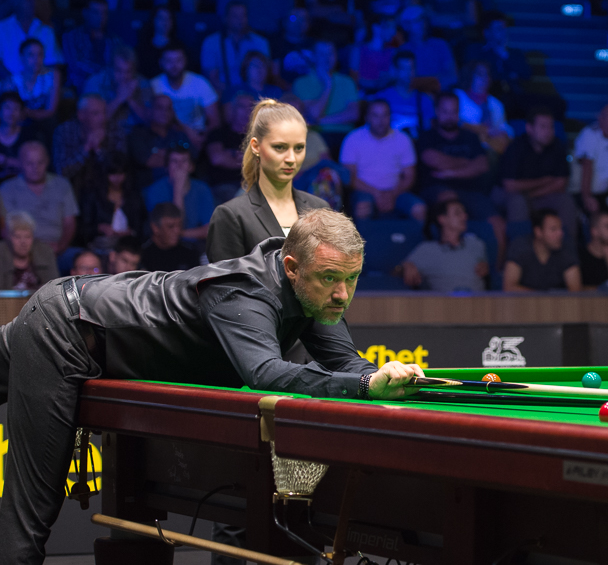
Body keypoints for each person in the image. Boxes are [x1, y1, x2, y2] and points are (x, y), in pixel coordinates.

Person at [0, 208, 423, 564]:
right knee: (31, 514)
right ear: (292, 268)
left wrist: (383, 375)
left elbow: (348, 363)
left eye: (352, 278)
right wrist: (365, 384)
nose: (343, 294)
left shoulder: (314, 291)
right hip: (66, 329)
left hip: (85, 322)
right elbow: (266, 373)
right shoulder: (244, 291)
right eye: (331, 278)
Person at [206, 98, 329, 262]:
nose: (290, 158)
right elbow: (226, 271)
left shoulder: (319, 208)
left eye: (298, 148)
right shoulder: (230, 214)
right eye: (279, 147)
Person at [417, 92, 504, 240]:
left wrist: (451, 173)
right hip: (437, 190)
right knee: (450, 200)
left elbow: (483, 165)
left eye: (454, 112)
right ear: (437, 111)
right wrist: (467, 163)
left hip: (471, 192)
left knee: (498, 224)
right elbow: (435, 160)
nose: (450, 116)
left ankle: (494, 258)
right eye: (445, 112)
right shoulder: (427, 136)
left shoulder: (470, 137)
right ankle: (455, 253)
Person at [339, 99, 424, 222]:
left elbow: (410, 176)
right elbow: (349, 177)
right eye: (375, 115)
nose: (381, 120)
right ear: (367, 117)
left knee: (419, 209)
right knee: (362, 208)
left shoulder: (403, 139)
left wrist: (392, 194)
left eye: (385, 115)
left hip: (396, 191)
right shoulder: (352, 139)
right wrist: (376, 193)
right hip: (364, 191)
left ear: (390, 117)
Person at [500, 108, 575, 242]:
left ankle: (567, 249)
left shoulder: (557, 146)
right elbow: (510, 185)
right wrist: (545, 180)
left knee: (566, 201)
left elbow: (561, 183)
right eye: (543, 127)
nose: (548, 131)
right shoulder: (515, 147)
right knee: (518, 202)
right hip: (508, 195)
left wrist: (531, 194)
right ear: (529, 128)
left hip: (539, 195)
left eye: (551, 127)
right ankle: (520, 251)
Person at [0, 142, 78, 255]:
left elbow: (69, 223)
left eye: (40, 162)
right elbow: (4, 227)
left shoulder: (62, 185)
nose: (35, 168)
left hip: (58, 249)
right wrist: (27, 248)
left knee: (87, 260)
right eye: (29, 163)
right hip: (20, 251)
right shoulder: (7, 188)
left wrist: (61, 246)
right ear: (20, 163)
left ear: (47, 161)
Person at [402, 198, 489, 292]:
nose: (464, 216)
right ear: (442, 219)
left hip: (478, 300)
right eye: (457, 213)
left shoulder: (476, 245)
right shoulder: (427, 249)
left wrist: (486, 269)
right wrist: (406, 267)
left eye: (464, 213)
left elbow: (486, 271)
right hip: (442, 300)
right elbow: (397, 271)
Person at [52, 94, 126, 188]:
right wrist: (86, 148)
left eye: (104, 112)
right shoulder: (64, 131)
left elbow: (119, 171)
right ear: (81, 115)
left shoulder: (115, 131)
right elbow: (62, 172)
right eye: (96, 113)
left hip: (106, 188)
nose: (102, 118)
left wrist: (98, 150)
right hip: (72, 188)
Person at [142, 146, 214, 241]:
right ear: (167, 167)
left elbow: (209, 229)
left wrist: (181, 234)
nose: (179, 166)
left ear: (191, 167)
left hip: (195, 244)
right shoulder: (155, 190)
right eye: (174, 161)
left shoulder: (202, 189)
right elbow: (169, 230)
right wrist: (178, 190)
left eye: (184, 161)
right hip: (166, 244)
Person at [77, 151, 143, 253]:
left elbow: (140, 225)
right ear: (105, 173)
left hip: (127, 247)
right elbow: (82, 229)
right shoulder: (92, 196)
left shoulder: (133, 196)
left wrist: (130, 232)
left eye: (120, 173)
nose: (117, 178)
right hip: (99, 248)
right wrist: (99, 228)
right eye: (113, 173)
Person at [503, 208, 581, 292]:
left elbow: (575, 291)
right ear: (538, 232)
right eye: (553, 229)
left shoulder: (566, 249)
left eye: (560, 229)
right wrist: (541, 297)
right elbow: (509, 287)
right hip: (527, 301)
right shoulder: (520, 248)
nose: (560, 233)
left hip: (557, 301)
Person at [293, 37, 360, 135]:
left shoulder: (347, 81)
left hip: (345, 135)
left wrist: (319, 121)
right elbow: (314, 114)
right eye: (322, 54)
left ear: (336, 56)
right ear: (314, 57)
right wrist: (328, 85)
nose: (327, 58)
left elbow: (353, 114)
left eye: (330, 53)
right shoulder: (301, 83)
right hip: (316, 136)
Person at [201, 1, 271, 93]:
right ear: (225, 18)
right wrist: (232, 95)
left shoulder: (260, 42)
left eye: (243, 16)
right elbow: (212, 78)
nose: (240, 20)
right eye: (235, 16)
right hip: (223, 94)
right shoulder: (211, 42)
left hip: (255, 94)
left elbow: (264, 74)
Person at [127, 94, 195, 189]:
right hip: (148, 188)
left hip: (182, 187)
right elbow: (148, 161)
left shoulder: (180, 135)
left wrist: (160, 154)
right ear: (150, 110)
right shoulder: (138, 134)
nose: (164, 112)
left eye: (168, 109)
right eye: (160, 108)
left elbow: (192, 164)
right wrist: (180, 160)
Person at [151, 43, 220, 134]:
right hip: (165, 136)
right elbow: (149, 120)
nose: (174, 65)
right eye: (169, 61)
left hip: (198, 134)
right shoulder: (153, 85)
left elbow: (215, 121)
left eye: (178, 60)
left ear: (185, 60)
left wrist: (200, 137)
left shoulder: (200, 83)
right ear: (161, 62)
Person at [82, 45, 151, 133]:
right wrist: (119, 99)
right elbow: (91, 122)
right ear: (110, 68)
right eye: (119, 70)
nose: (124, 76)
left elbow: (150, 121)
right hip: (105, 134)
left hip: (137, 134)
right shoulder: (95, 82)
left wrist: (131, 100)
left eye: (128, 71)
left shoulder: (143, 83)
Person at [62, 0, 123, 92]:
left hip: (108, 87)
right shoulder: (72, 36)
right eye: (96, 12)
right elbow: (76, 64)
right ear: (85, 13)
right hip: (79, 86)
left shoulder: (114, 40)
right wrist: (102, 73)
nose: (101, 17)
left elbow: (119, 65)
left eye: (104, 13)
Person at [0, 0, 61, 77]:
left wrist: (35, 82)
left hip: (40, 84)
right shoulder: (2, 29)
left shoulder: (47, 31)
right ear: (16, 2)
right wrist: (14, 81)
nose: (33, 2)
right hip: (7, 83)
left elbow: (53, 64)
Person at [204, 92, 252, 204]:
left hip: (253, 186)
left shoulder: (261, 136)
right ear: (233, 109)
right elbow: (217, 158)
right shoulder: (218, 133)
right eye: (242, 107)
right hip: (224, 186)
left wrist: (232, 156)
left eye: (250, 107)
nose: (247, 111)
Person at [374, 50, 435, 138]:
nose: (408, 73)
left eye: (411, 68)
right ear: (395, 70)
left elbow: (428, 134)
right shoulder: (381, 98)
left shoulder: (424, 100)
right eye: (403, 69)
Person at [456, 61, 512, 154]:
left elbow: (502, 127)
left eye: (487, 75)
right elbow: (456, 122)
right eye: (480, 74)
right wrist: (483, 130)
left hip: (491, 146)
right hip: (463, 143)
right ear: (471, 75)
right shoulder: (457, 97)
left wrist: (502, 133)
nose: (485, 78)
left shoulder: (496, 104)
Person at [398, 5, 458, 90]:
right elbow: (403, 81)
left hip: (440, 93)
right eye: (416, 21)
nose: (421, 24)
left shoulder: (441, 44)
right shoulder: (402, 50)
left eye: (423, 20)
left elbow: (453, 76)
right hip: (414, 94)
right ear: (406, 26)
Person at [8, 37, 59, 130]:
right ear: (22, 57)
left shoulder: (52, 76)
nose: (36, 59)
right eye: (31, 55)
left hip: (45, 122)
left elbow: (51, 111)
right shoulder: (12, 81)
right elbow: (8, 113)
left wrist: (29, 113)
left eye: (40, 54)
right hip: (20, 124)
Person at [0, 209, 57, 290]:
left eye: (27, 236)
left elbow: (54, 289)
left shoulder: (45, 253)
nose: (23, 242)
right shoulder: (1, 253)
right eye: (17, 237)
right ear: (9, 238)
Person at [139, 201, 202, 272]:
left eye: (179, 225)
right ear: (155, 228)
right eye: (170, 226)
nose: (177, 231)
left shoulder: (190, 253)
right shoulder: (141, 255)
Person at [349, 12, 399, 94]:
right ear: (376, 28)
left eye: (394, 28)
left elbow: (393, 77)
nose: (393, 32)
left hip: (385, 96)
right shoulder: (358, 50)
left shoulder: (392, 52)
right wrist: (375, 84)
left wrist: (389, 78)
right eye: (388, 27)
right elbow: (353, 79)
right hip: (363, 96)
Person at [270, 8, 313, 89]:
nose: (298, 23)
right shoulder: (275, 44)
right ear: (284, 22)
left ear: (309, 23)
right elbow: (275, 75)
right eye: (293, 18)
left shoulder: (315, 45)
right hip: (284, 92)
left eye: (303, 19)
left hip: (313, 90)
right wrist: (292, 90)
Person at [0, 91, 34, 181]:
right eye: (7, 107)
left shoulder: (29, 134)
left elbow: (35, 165)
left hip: (23, 183)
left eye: (16, 108)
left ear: (21, 112)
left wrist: (5, 161)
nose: (11, 113)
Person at [136, 5, 175, 78]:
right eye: (161, 18)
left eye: (168, 18)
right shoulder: (142, 48)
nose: (165, 22)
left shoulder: (179, 48)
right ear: (153, 20)